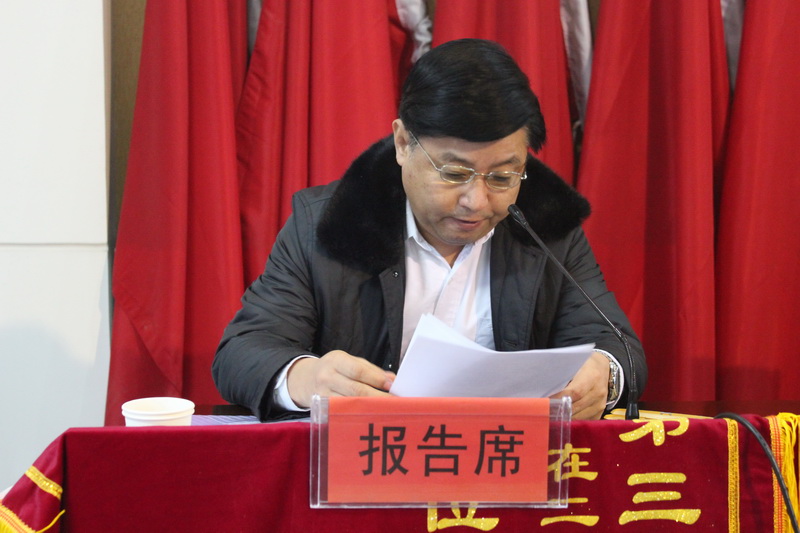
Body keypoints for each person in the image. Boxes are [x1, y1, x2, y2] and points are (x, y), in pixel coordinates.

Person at [212, 38, 647, 421]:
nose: (477, 201)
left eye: (502, 177)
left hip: (504, 467)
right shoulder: (328, 223)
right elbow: (244, 350)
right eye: (454, 173)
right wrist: (306, 378)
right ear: (403, 143)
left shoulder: (544, 226)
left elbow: (618, 347)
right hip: (366, 465)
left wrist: (604, 375)